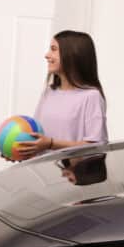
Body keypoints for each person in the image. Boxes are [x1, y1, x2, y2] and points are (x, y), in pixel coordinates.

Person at [15, 30, 108, 160]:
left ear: (72, 54)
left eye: (54, 49)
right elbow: (36, 137)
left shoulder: (91, 96)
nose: (47, 55)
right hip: (42, 169)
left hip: (70, 171)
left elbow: (96, 146)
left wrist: (51, 144)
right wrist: (17, 152)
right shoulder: (49, 92)